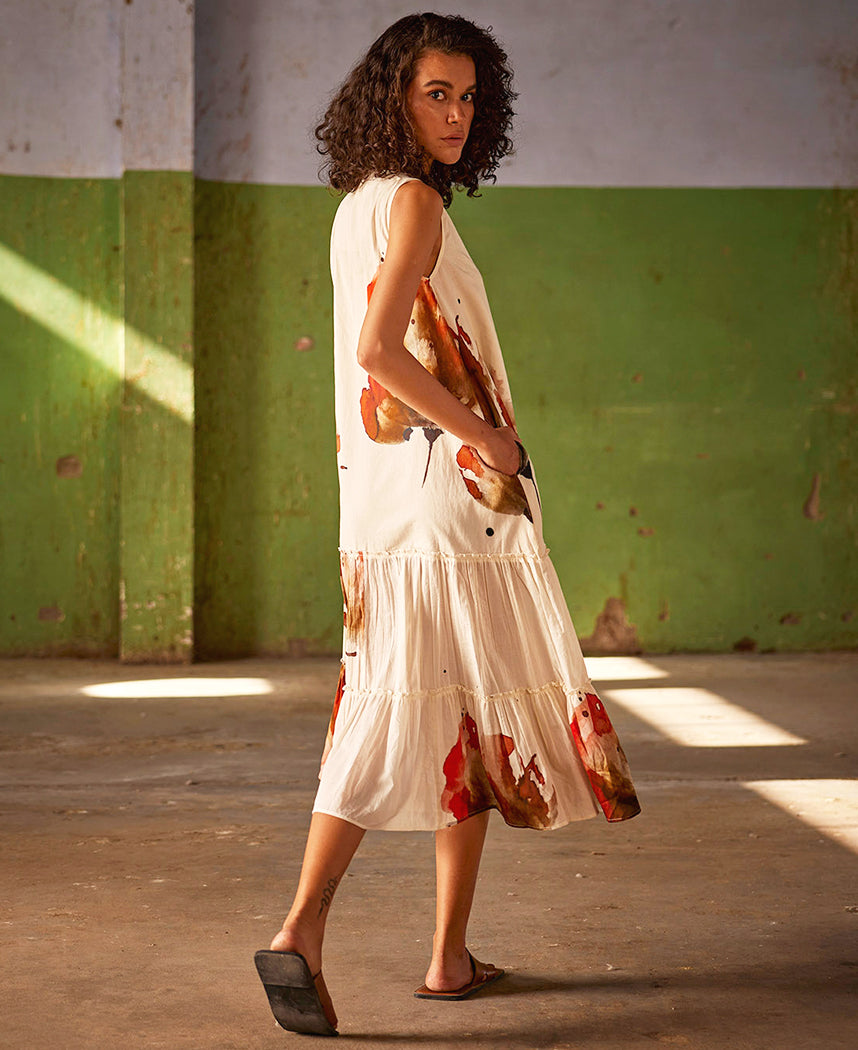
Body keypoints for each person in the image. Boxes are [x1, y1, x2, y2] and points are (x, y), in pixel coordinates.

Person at [254, 12, 641, 1037]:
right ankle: (301, 926)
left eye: (469, 97)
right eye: (437, 94)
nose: (458, 114)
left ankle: (449, 958)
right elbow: (380, 352)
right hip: (446, 503)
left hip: (383, 503)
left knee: (451, 717)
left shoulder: (356, 207)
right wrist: (489, 439)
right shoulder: (415, 201)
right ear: (394, 98)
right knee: (396, 712)